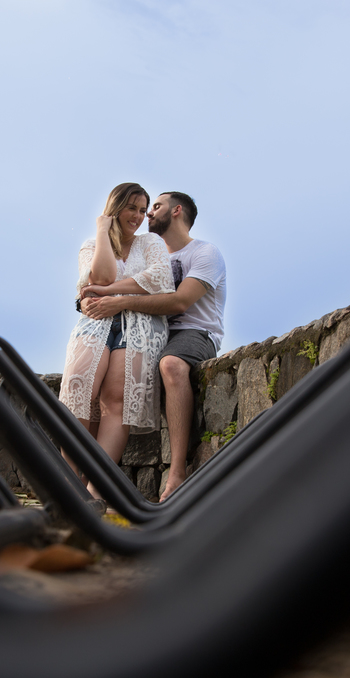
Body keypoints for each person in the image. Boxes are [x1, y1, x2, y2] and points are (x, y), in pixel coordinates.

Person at [81, 191, 227, 501]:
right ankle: (84, 483)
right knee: (101, 386)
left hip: (194, 332)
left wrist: (118, 302)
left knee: (171, 364)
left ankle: (176, 473)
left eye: (155, 207)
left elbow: (180, 301)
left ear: (176, 211)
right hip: (151, 331)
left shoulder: (205, 252)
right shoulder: (149, 253)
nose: (147, 214)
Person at [58, 183, 175, 496]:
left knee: (116, 399)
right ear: (115, 208)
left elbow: (160, 279)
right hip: (96, 323)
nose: (138, 216)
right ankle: (69, 484)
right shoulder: (90, 245)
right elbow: (100, 277)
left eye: (142, 210)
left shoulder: (150, 241)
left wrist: (111, 295)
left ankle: (97, 490)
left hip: (139, 325)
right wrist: (102, 231)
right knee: (78, 387)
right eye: (131, 208)